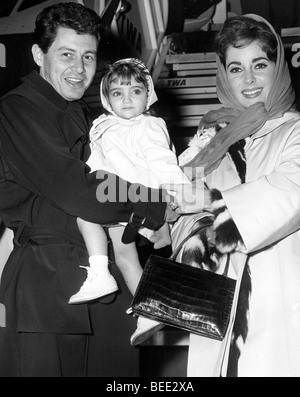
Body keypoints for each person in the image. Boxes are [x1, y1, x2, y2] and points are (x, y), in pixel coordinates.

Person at [0, 2, 169, 377]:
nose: (79, 69)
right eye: (66, 55)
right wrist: (153, 204)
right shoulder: (17, 110)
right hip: (48, 286)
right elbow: (76, 188)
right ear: (38, 55)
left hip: (102, 282)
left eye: (88, 56)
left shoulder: (84, 114)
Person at [165, 14, 300, 377]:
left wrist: (212, 205)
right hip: (220, 302)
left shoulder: (295, 131)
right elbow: (176, 208)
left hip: (283, 301)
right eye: (236, 68)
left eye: (260, 64)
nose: (250, 79)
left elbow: (290, 193)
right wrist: (194, 234)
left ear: (278, 67)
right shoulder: (211, 139)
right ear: (224, 74)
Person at [69, 58, 191, 347]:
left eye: (135, 91)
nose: (126, 100)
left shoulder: (148, 125)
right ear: (106, 98)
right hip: (112, 193)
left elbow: (163, 161)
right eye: (117, 93)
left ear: (148, 95)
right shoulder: (103, 125)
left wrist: (180, 193)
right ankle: (144, 307)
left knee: (92, 222)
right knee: (123, 255)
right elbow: (94, 162)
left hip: (136, 195)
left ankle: (102, 271)